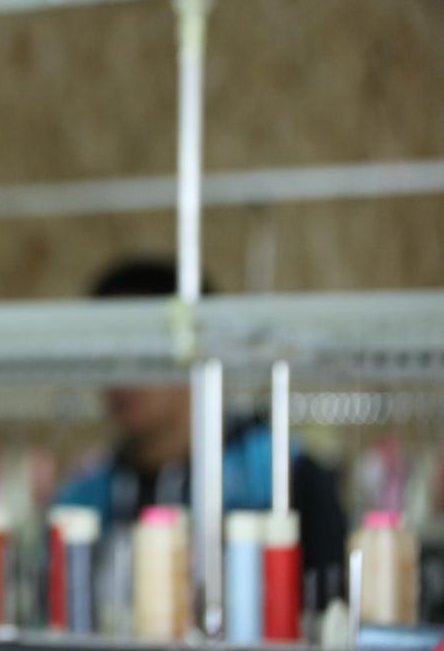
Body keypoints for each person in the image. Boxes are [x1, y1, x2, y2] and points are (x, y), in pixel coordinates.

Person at [53, 258, 347, 607]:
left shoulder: (284, 481)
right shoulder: (84, 499)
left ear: (198, 348)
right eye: (103, 350)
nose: (118, 372)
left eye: (141, 348)